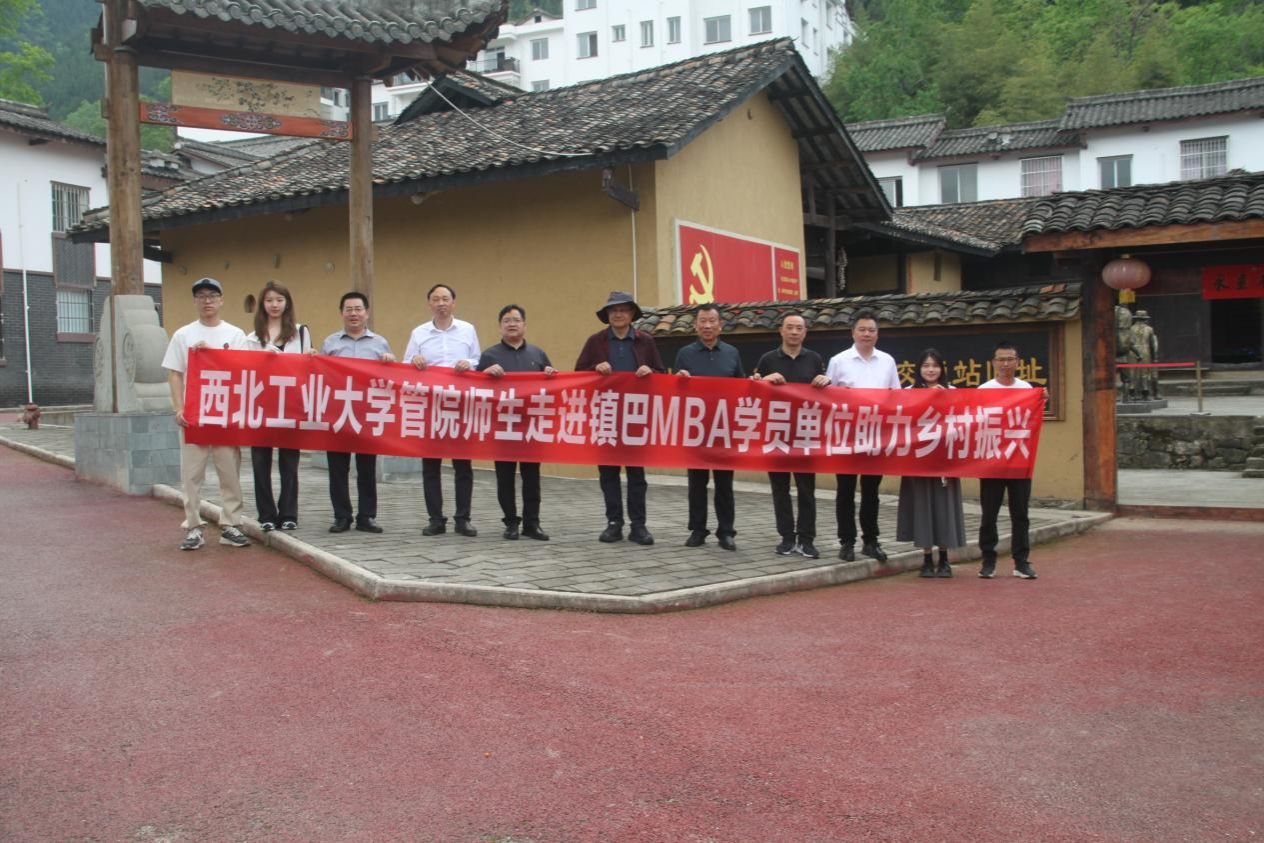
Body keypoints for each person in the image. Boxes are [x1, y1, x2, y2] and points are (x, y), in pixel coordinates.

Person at [162, 277, 250, 551]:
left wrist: (214, 354)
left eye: (212, 295)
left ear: (221, 300)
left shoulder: (235, 335)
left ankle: (231, 524)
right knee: (192, 473)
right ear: (195, 301)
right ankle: (193, 526)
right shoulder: (183, 335)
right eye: (201, 296)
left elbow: (244, 369)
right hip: (194, 415)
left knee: (229, 471)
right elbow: (175, 374)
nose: (207, 301)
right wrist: (179, 408)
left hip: (225, 414)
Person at [575, 291, 665, 545]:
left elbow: (661, 373)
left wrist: (651, 371)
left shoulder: (645, 341)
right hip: (606, 416)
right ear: (607, 315)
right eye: (613, 310)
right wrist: (595, 369)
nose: (618, 314)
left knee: (637, 475)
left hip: (636, 418)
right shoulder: (596, 342)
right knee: (608, 474)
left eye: (623, 310)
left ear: (632, 314)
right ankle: (614, 523)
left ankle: (639, 525)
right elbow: (578, 373)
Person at [405, 284, 481, 537]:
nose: (441, 303)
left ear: (453, 303)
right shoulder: (419, 333)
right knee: (431, 466)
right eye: (436, 299)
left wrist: (468, 363)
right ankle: (436, 519)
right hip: (431, 407)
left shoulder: (468, 330)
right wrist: (414, 361)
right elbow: (405, 365)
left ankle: (463, 519)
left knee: (463, 466)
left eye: (445, 299)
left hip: (460, 406)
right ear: (429, 304)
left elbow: (478, 361)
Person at [752, 313, 830, 558]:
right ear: (781, 331)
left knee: (807, 489)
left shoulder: (814, 359)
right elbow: (753, 392)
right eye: (790, 327)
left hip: (806, 434)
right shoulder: (767, 359)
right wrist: (764, 380)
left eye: (799, 328)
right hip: (777, 433)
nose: (794, 332)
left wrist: (826, 381)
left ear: (805, 332)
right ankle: (786, 537)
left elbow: (825, 396)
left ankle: (806, 539)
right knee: (780, 488)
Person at [825, 309, 900, 564]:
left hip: (876, 436)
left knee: (871, 492)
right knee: (845, 491)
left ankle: (871, 541)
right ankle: (847, 542)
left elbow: (897, 395)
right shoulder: (839, 361)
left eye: (871, 330)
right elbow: (826, 397)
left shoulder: (887, 361)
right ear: (853, 332)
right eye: (862, 329)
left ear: (877, 334)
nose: (867, 334)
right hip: (846, 437)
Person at [478, 304, 557, 541]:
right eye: (506, 320)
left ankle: (532, 523)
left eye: (516, 320)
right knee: (505, 477)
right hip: (503, 426)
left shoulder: (538, 354)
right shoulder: (489, 356)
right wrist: (485, 373)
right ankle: (511, 522)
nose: (511, 324)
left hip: (531, 425)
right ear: (500, 326)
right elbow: (475, 389)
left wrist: (551, 374)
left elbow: (552, 387)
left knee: (531, 477)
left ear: (524, 325)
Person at [321, 291, 396, 534]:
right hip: (338, 413)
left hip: (366, 414)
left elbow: (390, 378)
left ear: (367, 312)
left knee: (367, 467)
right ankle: (342, 516)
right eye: (349, 309)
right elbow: (320, 375)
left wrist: (390, 362)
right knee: (338, 468)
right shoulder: (330, 343)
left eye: (358, 309)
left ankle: (367, 516)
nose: (353, 314)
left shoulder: (380, 343)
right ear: (341, 313)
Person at [675, 303, 745, 551]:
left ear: (720, 325)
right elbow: (675, 391)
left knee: (724, 484)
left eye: (711, 321)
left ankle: (726, 531)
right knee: (697, 483)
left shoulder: (732, 353)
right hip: (696, 429)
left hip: (724, 429)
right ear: (696, 326)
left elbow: (742, 387)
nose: (707, 326)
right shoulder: (685, 353)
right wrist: (679, 381)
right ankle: (698, 529)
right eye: (702, 321)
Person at [245, 281, 311, 532]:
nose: (274, 305)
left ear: (287, 303)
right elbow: (242, 368)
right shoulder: (251, 337)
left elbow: (307, 367)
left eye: (279, 300)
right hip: (261, 405)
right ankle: (266, 514)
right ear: (262, 304)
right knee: (260, 462)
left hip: (290, 404)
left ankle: (289, 513)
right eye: (269, 300)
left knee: (289, 462)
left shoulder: (301, 332)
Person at [895, 349, 966, 578]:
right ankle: (926, 558)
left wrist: (943, 398)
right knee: (921, 507)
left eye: (935, 365)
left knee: (944, 508)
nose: (930, 370)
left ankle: (944, 559)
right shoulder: (907, 392)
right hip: (917, 461)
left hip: (944, 461)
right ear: (918, 369)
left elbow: (963, 422)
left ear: (942, 369)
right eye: (925, 365)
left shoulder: (952, 392)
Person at [977, 341, 1038, 580]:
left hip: (1019, 460)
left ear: (1018, 362)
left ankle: (1021, 562)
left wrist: (1040, 398)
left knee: (1020, 514)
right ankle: (988, 560)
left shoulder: (1026, 388)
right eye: (1001, 359)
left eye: (1010, 359)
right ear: (993, 363)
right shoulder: (984, 390)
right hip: (992, 461)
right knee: (989, 514)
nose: (1005, 364)